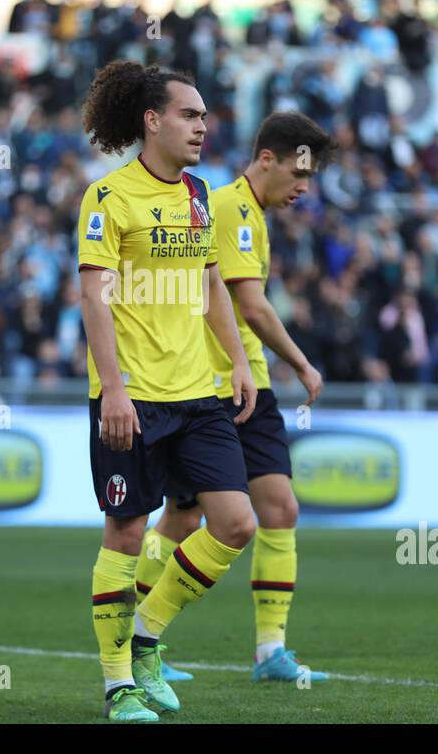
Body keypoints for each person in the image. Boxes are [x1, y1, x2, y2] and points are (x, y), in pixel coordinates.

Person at [78, 61, 258, 722]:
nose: (203, 126)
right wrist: (114, 392)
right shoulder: (108, 199)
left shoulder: (201, 195)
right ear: (151, 121)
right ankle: (118, 684)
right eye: (190, 114)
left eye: (205, 117)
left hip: (197, 392)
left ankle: (148, 635)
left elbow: (213, 285)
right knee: (126, 535)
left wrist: (236, 361)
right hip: (132, 398)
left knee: (236, 523)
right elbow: (93, 298)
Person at [136, 111, 336, 684]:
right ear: (265, 159)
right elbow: (249, 303)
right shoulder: (227, 208)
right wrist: (301, 360)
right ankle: (138, 635)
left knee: (278, 509)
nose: (304, 187)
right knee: (185, 515)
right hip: (217, 385)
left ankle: (269, 650)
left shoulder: (250, 213)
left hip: (248, 383)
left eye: (311, 178)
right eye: (299, 173)